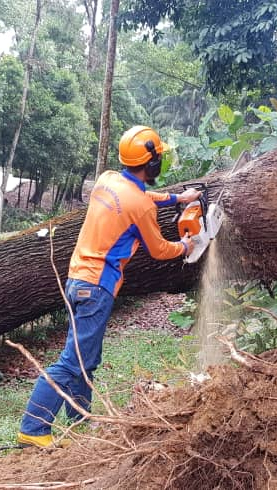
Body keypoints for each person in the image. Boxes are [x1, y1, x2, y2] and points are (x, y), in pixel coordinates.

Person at [17, 125, 201, 448]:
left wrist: (177, 198)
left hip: (77, 279)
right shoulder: (139, 205)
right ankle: (33, 429)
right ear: (153, 163)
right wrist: (185, 246)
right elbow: (158, 248)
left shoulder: (106, 180)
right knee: (71, 362)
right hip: (97, 286)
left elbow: (141, 198)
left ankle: (80, 425)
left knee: (86, 359)